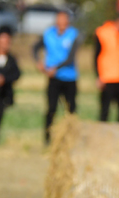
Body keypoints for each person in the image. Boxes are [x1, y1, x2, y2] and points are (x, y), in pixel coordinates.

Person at [33, 10, 80, 144]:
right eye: (60, 19)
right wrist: (38, 61)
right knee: (51, 108)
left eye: (64, 19)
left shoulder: (73, 34)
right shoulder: (49, 34)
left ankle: (71, 138)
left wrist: (56, 68)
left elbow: (70, 58)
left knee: (71, 109)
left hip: (69, 78)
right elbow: (35, 47)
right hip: (53, 78)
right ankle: (48, 139)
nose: (62, 22)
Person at [95, 13, 119, 123]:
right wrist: (98, 76)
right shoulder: (103, 33)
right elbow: (96, 56)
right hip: (108, 77)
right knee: (105, 110)